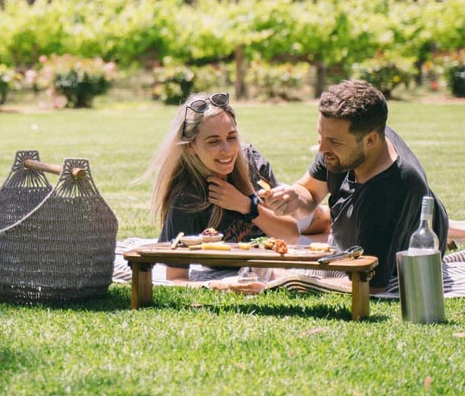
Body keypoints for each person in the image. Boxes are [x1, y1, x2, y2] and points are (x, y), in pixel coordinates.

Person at [262, 79, 449, 291]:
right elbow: (310, 193)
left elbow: (369, 283)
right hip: (349, 241)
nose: (321, 149)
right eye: (321, 136)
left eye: (334, 141)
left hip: (391, 258)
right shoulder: (345, 145)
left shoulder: (389, 192)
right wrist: (295, 198)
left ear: (371, 140)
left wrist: (284, 280)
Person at [143, 92, 324, 281]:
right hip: (265, 235)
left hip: (278, 212)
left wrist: (246, 206)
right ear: (191, 147)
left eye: (231, 137)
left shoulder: (252, 163)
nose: (227, 150)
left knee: (324, 222)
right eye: (214, 141)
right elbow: (175, 277)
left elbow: (291, 235)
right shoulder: (187, 199)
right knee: (316, 230)